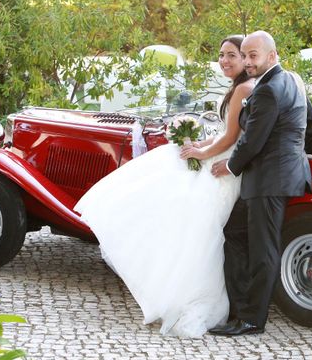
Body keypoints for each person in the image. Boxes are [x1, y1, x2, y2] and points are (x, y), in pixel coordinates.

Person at [74, 35, 255, 337]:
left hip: (225, 169)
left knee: (196, 224)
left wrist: (200, 152)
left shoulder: (244, 89)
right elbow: (224, 133)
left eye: (232, 56)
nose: (224, 61)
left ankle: (190, 296)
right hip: (220, 158)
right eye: (221, 55)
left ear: (246, 59)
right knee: (187, 214)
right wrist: (200, 143)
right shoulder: (236, 88)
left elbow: (231, 139)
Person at [208, 31, 312, 336]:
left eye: (254, 56)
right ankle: (238, 309)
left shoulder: (268, 89)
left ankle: (252, 320)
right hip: (279, 173)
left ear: (272, 55)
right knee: (234, 233)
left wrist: (229, 165)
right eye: (246, 55)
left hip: (269, 178)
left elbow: (254, 139)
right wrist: (307, 153)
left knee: (264, 250)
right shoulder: (291, 80)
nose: (248, 61)